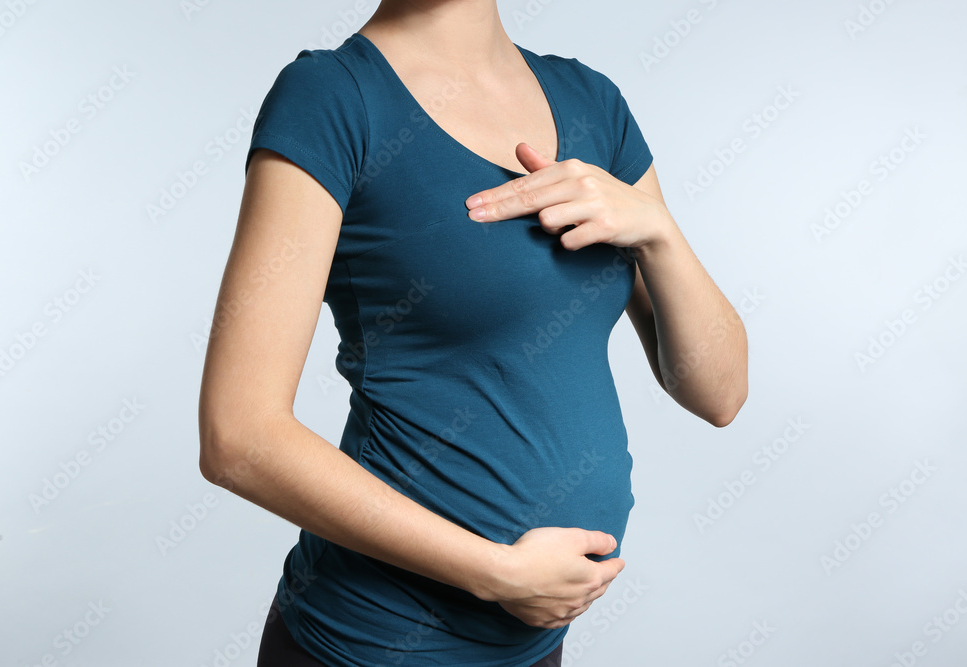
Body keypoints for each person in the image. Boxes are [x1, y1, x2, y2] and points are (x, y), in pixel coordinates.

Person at [198, 1, 748, 665]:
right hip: (371, 644)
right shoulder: (333, 98)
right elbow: (239, 435)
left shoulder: (593, 103)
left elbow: (719, 392)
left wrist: (658, 232)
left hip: (532, 648)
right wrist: (495, 570)